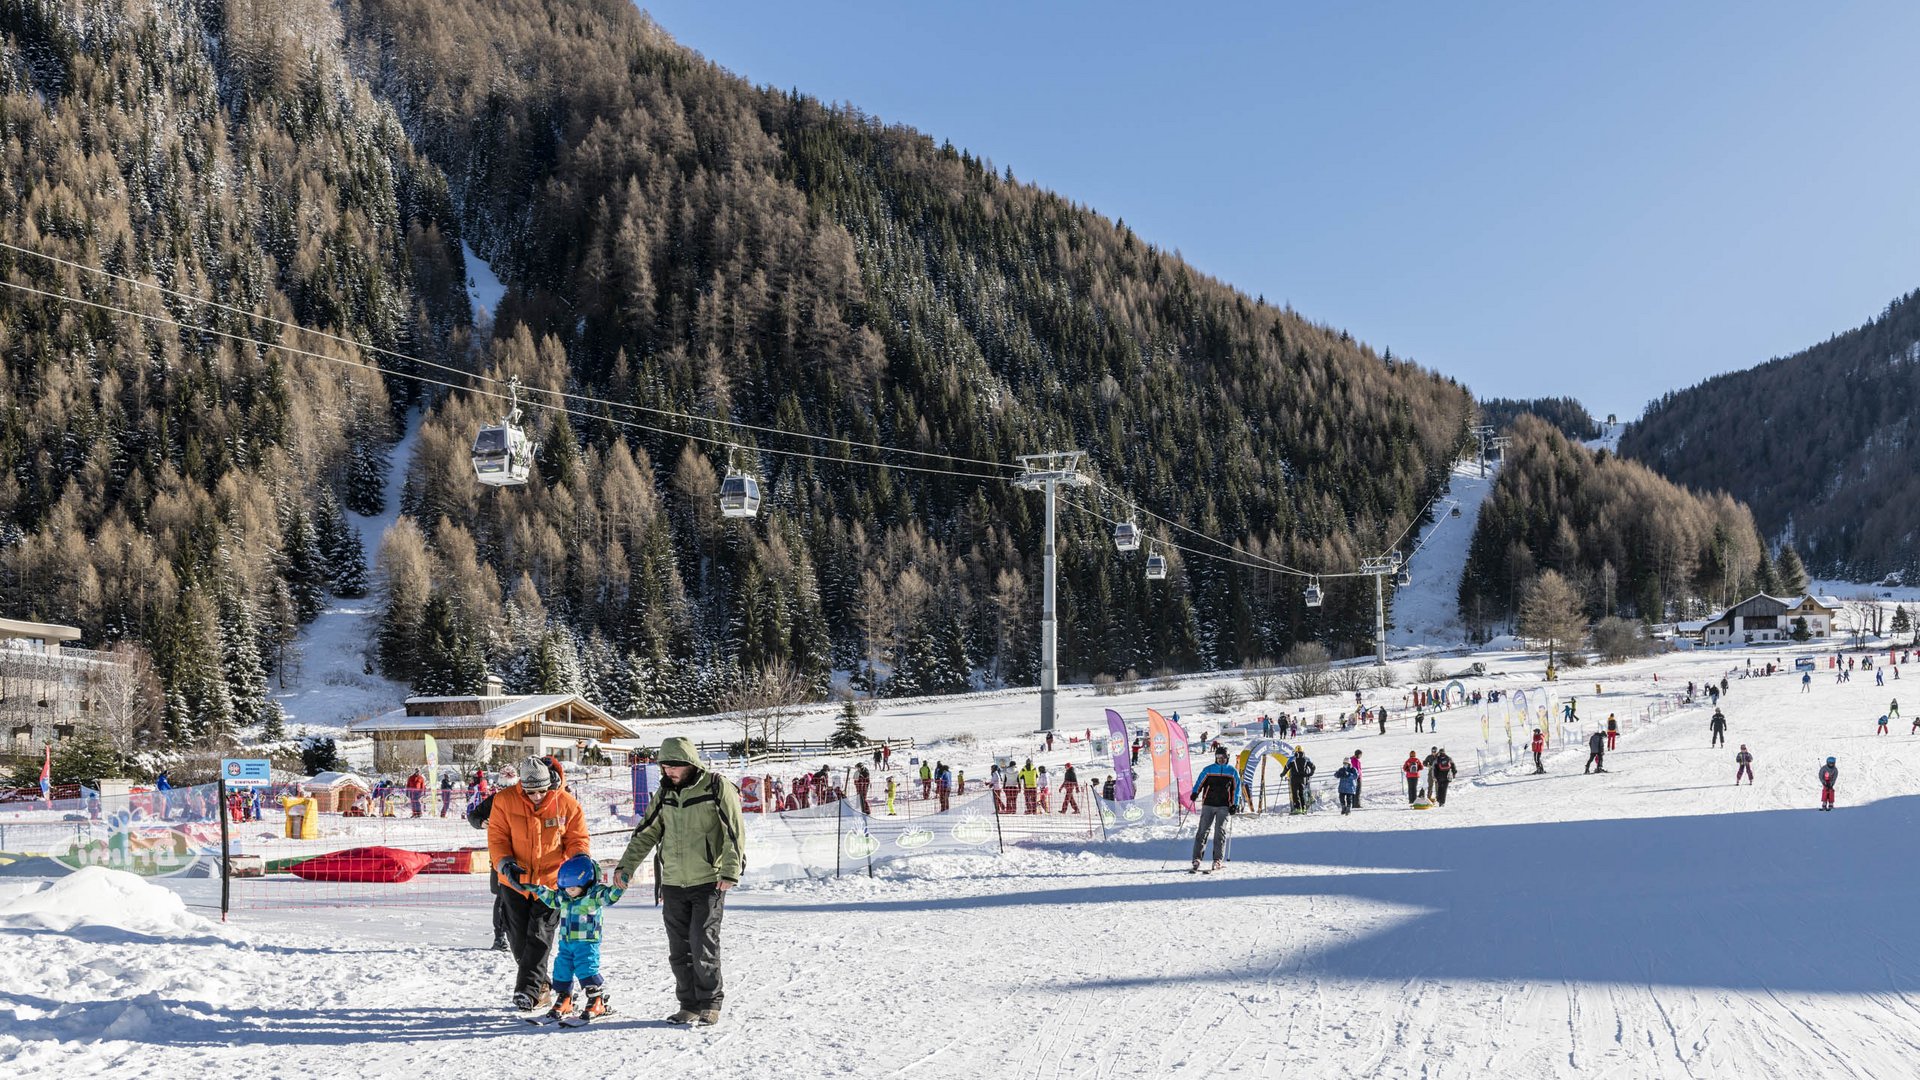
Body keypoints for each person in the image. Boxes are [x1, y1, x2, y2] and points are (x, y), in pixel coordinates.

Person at [613, 737, 745, 1027]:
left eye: (673, 766)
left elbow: (733, 830)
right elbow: (646, 832)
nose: (668, 771)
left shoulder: (715, 786)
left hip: (708, 879)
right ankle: (688, 1005)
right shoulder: (664, 793)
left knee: (702, 944)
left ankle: (710, 1002)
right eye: (664, 766)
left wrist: (730, 871)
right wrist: (627, 866)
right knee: (679, 949)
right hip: (673, 881)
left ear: (689, 764)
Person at [489, 757, 589, 1010]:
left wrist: (580, 858)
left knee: (539, 935)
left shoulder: (566, 803)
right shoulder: (504, 800)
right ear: (522, 786)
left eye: (542, 791)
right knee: (518, 941)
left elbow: (577, 838)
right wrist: (505, 863)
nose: (536, 797)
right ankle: (543, 986)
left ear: (550, 785)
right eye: (531, 792)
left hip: (551, 882)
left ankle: (528, 992)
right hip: (515, 881)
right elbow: (497, 838)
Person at [523, 854, 625, 1024]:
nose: (569, 891)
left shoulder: (593, 896)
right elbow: (552, 899)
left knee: (586, 969)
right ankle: (565, 1000)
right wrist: (538, 889)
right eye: (566, 887)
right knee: (561, 969)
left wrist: (620, 885)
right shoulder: (564, 896)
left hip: (587, 943)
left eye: (574, 887)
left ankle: (597, 1001)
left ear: (586, 882)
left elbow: (610, 896)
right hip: (566, 943)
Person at [1188, 746, 1239, 871]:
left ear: (1227, 758)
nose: (1220, 760)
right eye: (1218, 757)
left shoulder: (1232, 771)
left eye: (1223, 758)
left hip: (1224, 806)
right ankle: (1197, 859)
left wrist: (1235, 804)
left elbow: (1236, 789)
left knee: (1219, 832)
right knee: (1202, 831)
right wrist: (1195, 792)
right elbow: (1200, 782)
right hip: (1208, 804)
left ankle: (1217, 860)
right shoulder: (1209, 770)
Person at [1286, 748, 1315, 813]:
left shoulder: (1292, 759)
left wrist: (1284, 774)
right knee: (1302, 793)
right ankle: (1304, 807)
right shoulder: (1306, 758)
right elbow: (1312, 767)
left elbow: (1287, 766)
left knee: (1295, 794)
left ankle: (1298, 808)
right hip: (1304, 778)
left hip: (1294, 778)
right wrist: (1309, 774)